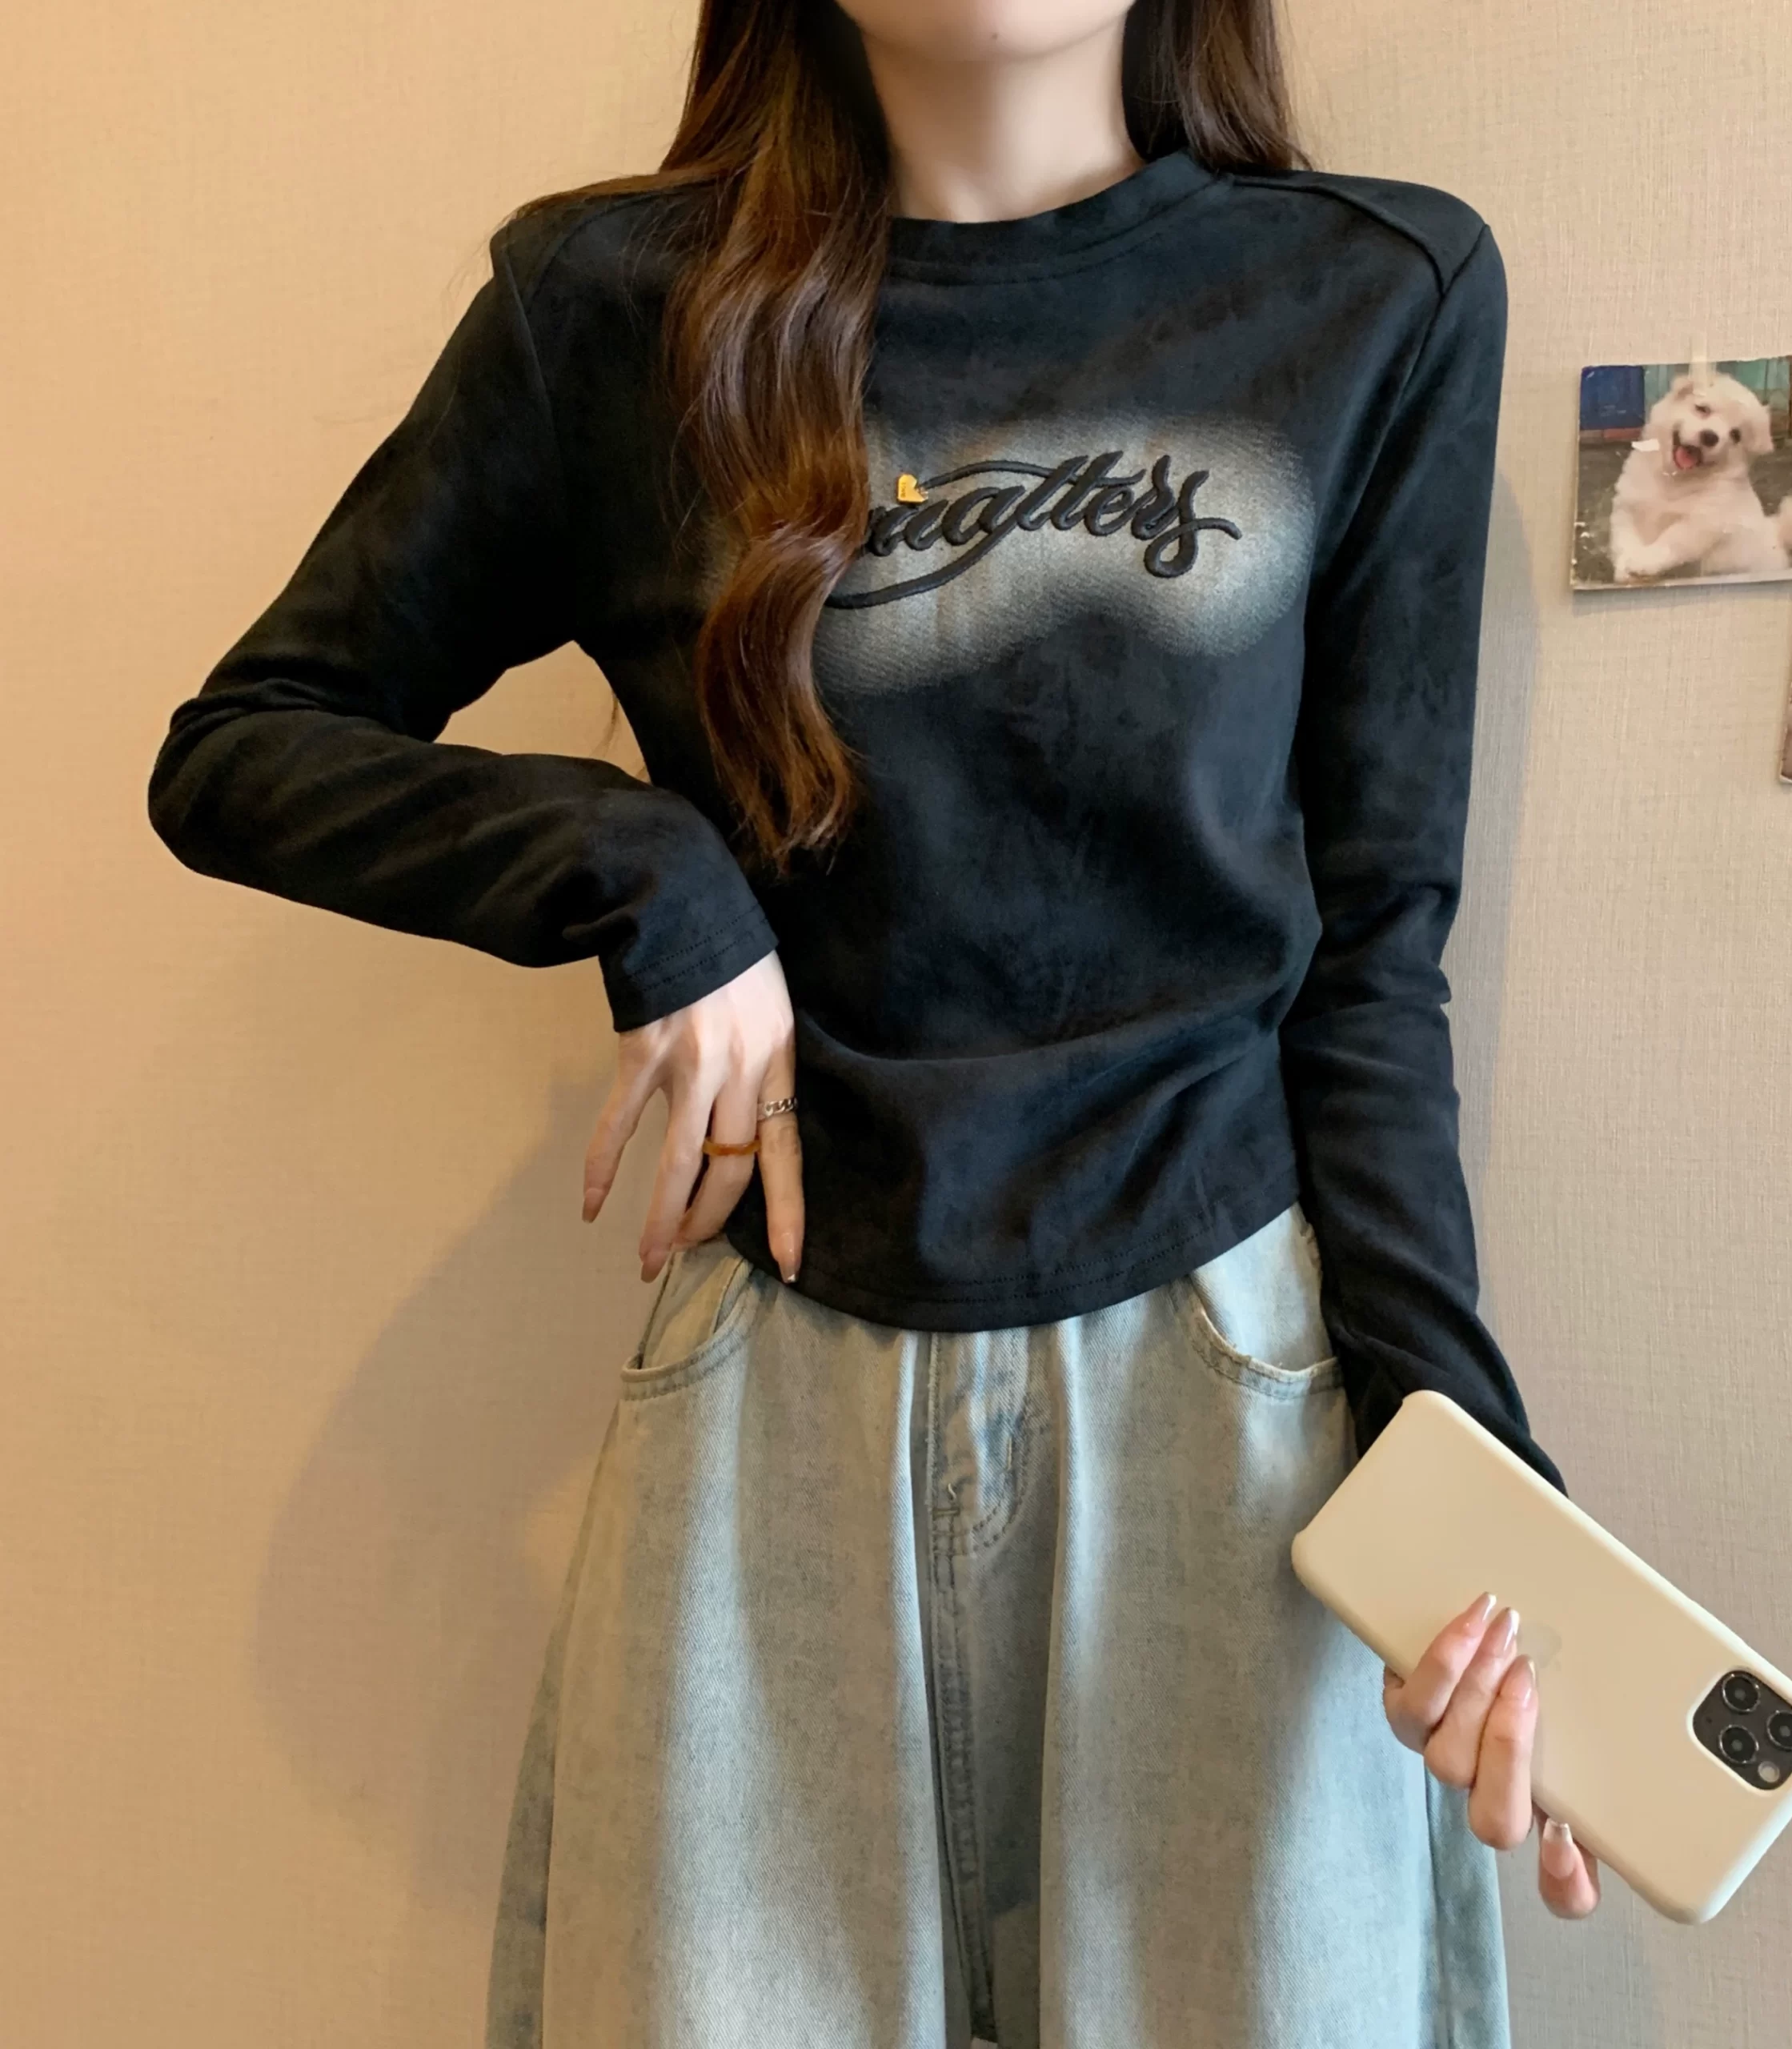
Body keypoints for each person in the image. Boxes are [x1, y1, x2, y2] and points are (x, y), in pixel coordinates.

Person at [146, 1, 1600, 2041]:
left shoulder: (1371, 293)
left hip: (1232, 1408)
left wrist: (1473, 1475)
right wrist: (642, 873)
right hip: (773, 1376)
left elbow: (1372, 954)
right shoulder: (608, 309)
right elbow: (247, 743)